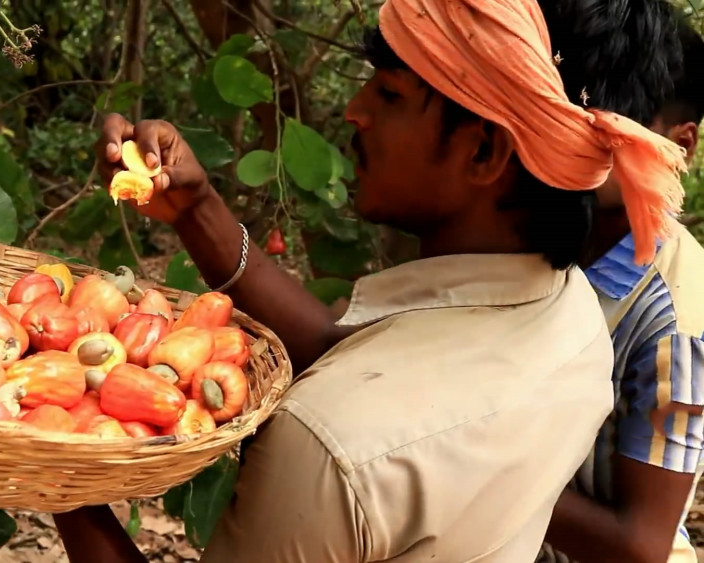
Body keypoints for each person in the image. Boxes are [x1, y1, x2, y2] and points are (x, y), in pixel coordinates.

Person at [52, 0, 688, 560]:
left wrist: (56, 463)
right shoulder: (572, 317)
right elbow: (356, 363)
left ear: (483, 153)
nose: (354, 112)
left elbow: (360, 416)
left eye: (388, 95)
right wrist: (197, 211)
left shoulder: (329, 449)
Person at [540, 14, 704, 563]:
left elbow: (640, 544)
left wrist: (480, 462)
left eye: (616, 117)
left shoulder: (680, 321)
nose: (584, 132)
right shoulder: (551, 240)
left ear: (681, 146)